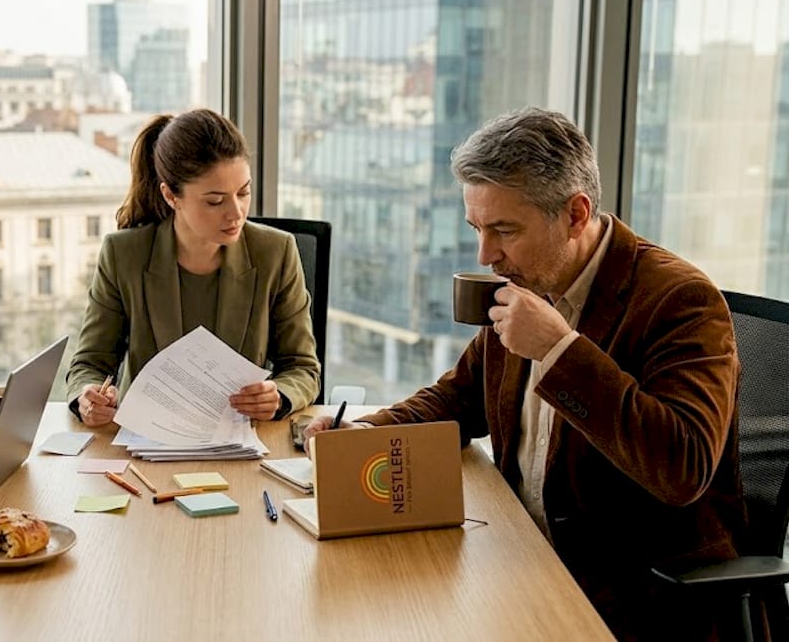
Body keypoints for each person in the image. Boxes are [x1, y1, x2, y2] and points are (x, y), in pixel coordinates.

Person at [304, 107, 746, 640]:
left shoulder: (680, 301)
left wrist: (560, 351)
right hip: (519, 554)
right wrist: (370, 434)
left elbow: (683, 466)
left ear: (576, 215)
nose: (486, 254)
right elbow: (462, 396)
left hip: (632, 594)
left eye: (504, 230)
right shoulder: (532, 276)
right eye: (477, 228)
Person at [66, 108, 320, 426]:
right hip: (145, 439)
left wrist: (279, 395)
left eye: (243, 192)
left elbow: (303, 367)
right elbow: (89, 363)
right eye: (215, 201)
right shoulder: (123, 255)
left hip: (237, 438)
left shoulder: (275, 251)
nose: (236, 212)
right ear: (171, 195)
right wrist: (87, 395)